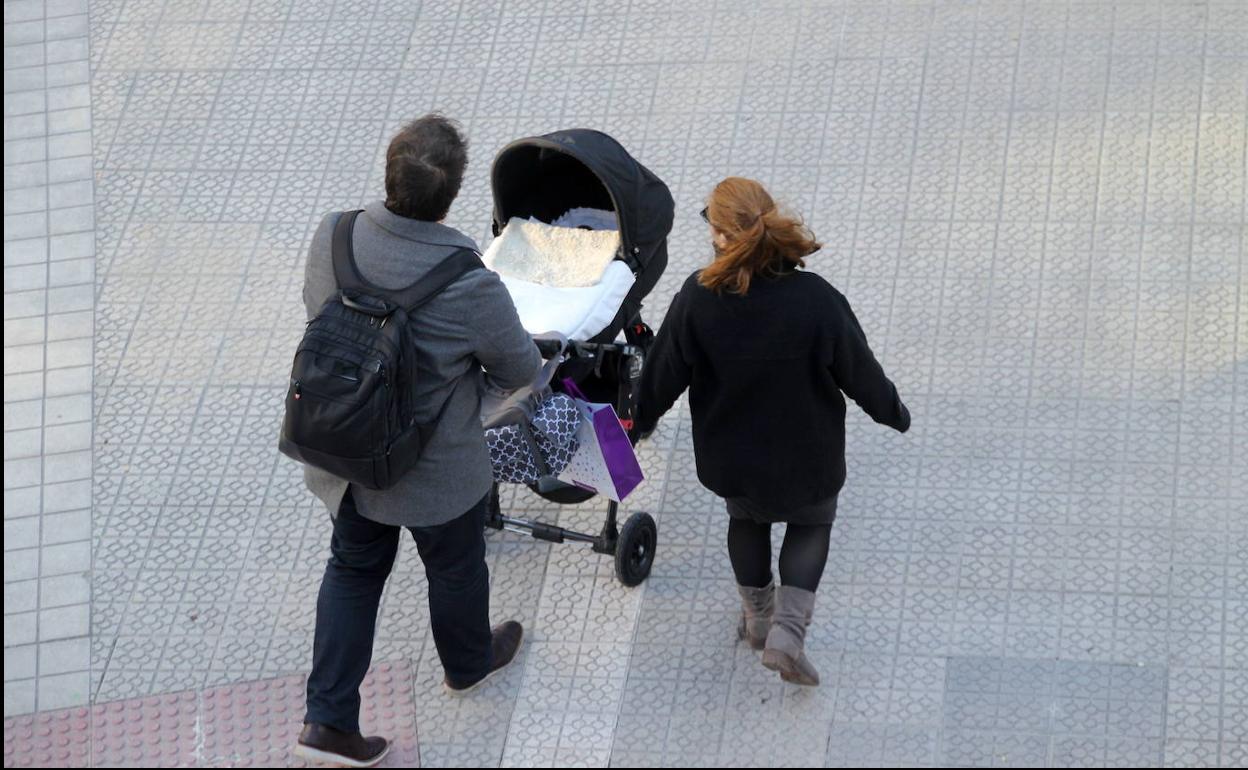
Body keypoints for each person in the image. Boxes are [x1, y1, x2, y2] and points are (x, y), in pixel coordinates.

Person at [293, 115, 541, 767]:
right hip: (433, 473)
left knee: (351, 569)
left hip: (345, 453)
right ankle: (466, 664)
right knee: (455, 566)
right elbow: (520, 372)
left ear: (388, 171)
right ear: (453, 194)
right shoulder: (467, 279)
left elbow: (316, 308)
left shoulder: (334, 234)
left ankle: (328, 724)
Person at [633, 177, 911, 687]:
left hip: (733, 458)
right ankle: (788, 633)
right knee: (810, 526)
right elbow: (860, 371)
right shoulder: (817, 300)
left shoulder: (697, 298)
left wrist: (640, 420)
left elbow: (663, 372)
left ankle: (758, 619)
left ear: (720, 236)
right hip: (807, 456)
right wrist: (893, 412)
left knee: (747, 522)